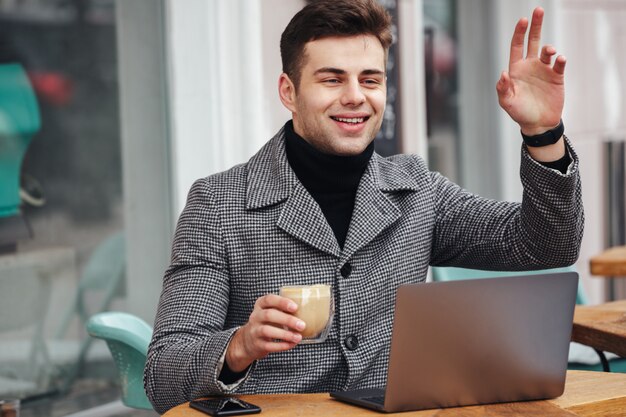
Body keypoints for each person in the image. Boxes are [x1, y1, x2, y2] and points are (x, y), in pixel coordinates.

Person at [144, 0, 583, 413]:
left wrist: (543, 134)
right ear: (289, 91)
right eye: (332, 79)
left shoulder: (417, 191)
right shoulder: (217, 205)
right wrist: (238, 346)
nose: (355, 96)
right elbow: (163, 376)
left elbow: (545, 246)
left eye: (370, 79)